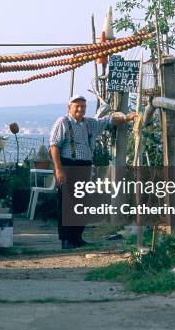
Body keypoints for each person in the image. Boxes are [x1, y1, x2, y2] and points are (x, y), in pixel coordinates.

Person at [49, 94, 137, 249]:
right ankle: (66, 240)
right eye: (77, 106)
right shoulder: (63, 122)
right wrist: (58, 169)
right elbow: (54, 146)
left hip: (85, 166)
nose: (80, 109)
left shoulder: (90, 123)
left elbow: (109, 121)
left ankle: (77, 237)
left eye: (83, 106)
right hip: (68, 166)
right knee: (68, 203)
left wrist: (127, 118)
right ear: (69, 107)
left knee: (81, 203)